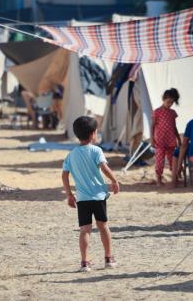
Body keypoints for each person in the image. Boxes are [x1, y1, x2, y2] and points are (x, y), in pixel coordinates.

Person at [62, 116, 120, 272]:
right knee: (103, 227)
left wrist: (69, 194)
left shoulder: (71, 154)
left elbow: (64, 174)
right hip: (99, 196)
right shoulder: (96, 150)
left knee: (85, 230)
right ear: (93, 133)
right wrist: (114, 180)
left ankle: (85, 262)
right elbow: (104, 168)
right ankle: (108, 258)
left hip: (82, 199)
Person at [151, 88, 181, 186]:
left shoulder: (172, 113)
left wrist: (179, 138)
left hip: (171, 140)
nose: (170, 104)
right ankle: (159, 180)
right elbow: (152, 126)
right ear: (163, 99)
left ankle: (174, 178)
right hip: (160, 140)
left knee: (173, 160)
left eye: (172, 102)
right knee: (159, 160)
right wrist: (152, 139)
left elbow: (174, 126)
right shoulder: (157, 112)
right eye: (168, 101)